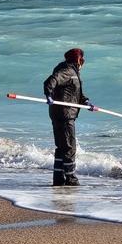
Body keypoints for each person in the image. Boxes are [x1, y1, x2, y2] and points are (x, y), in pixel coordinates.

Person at [44, 48, 96, 186]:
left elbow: (77, 93)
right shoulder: (67, 71)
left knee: (61, 147)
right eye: (82, 60)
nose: (83, 63)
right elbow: (51, 81)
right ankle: (71, 178)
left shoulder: (72, 72)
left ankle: (58, 178)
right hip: (65, 115)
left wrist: (86, 102)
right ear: (78, 60)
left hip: (59, 113)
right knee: (69, 147)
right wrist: (48, 94)